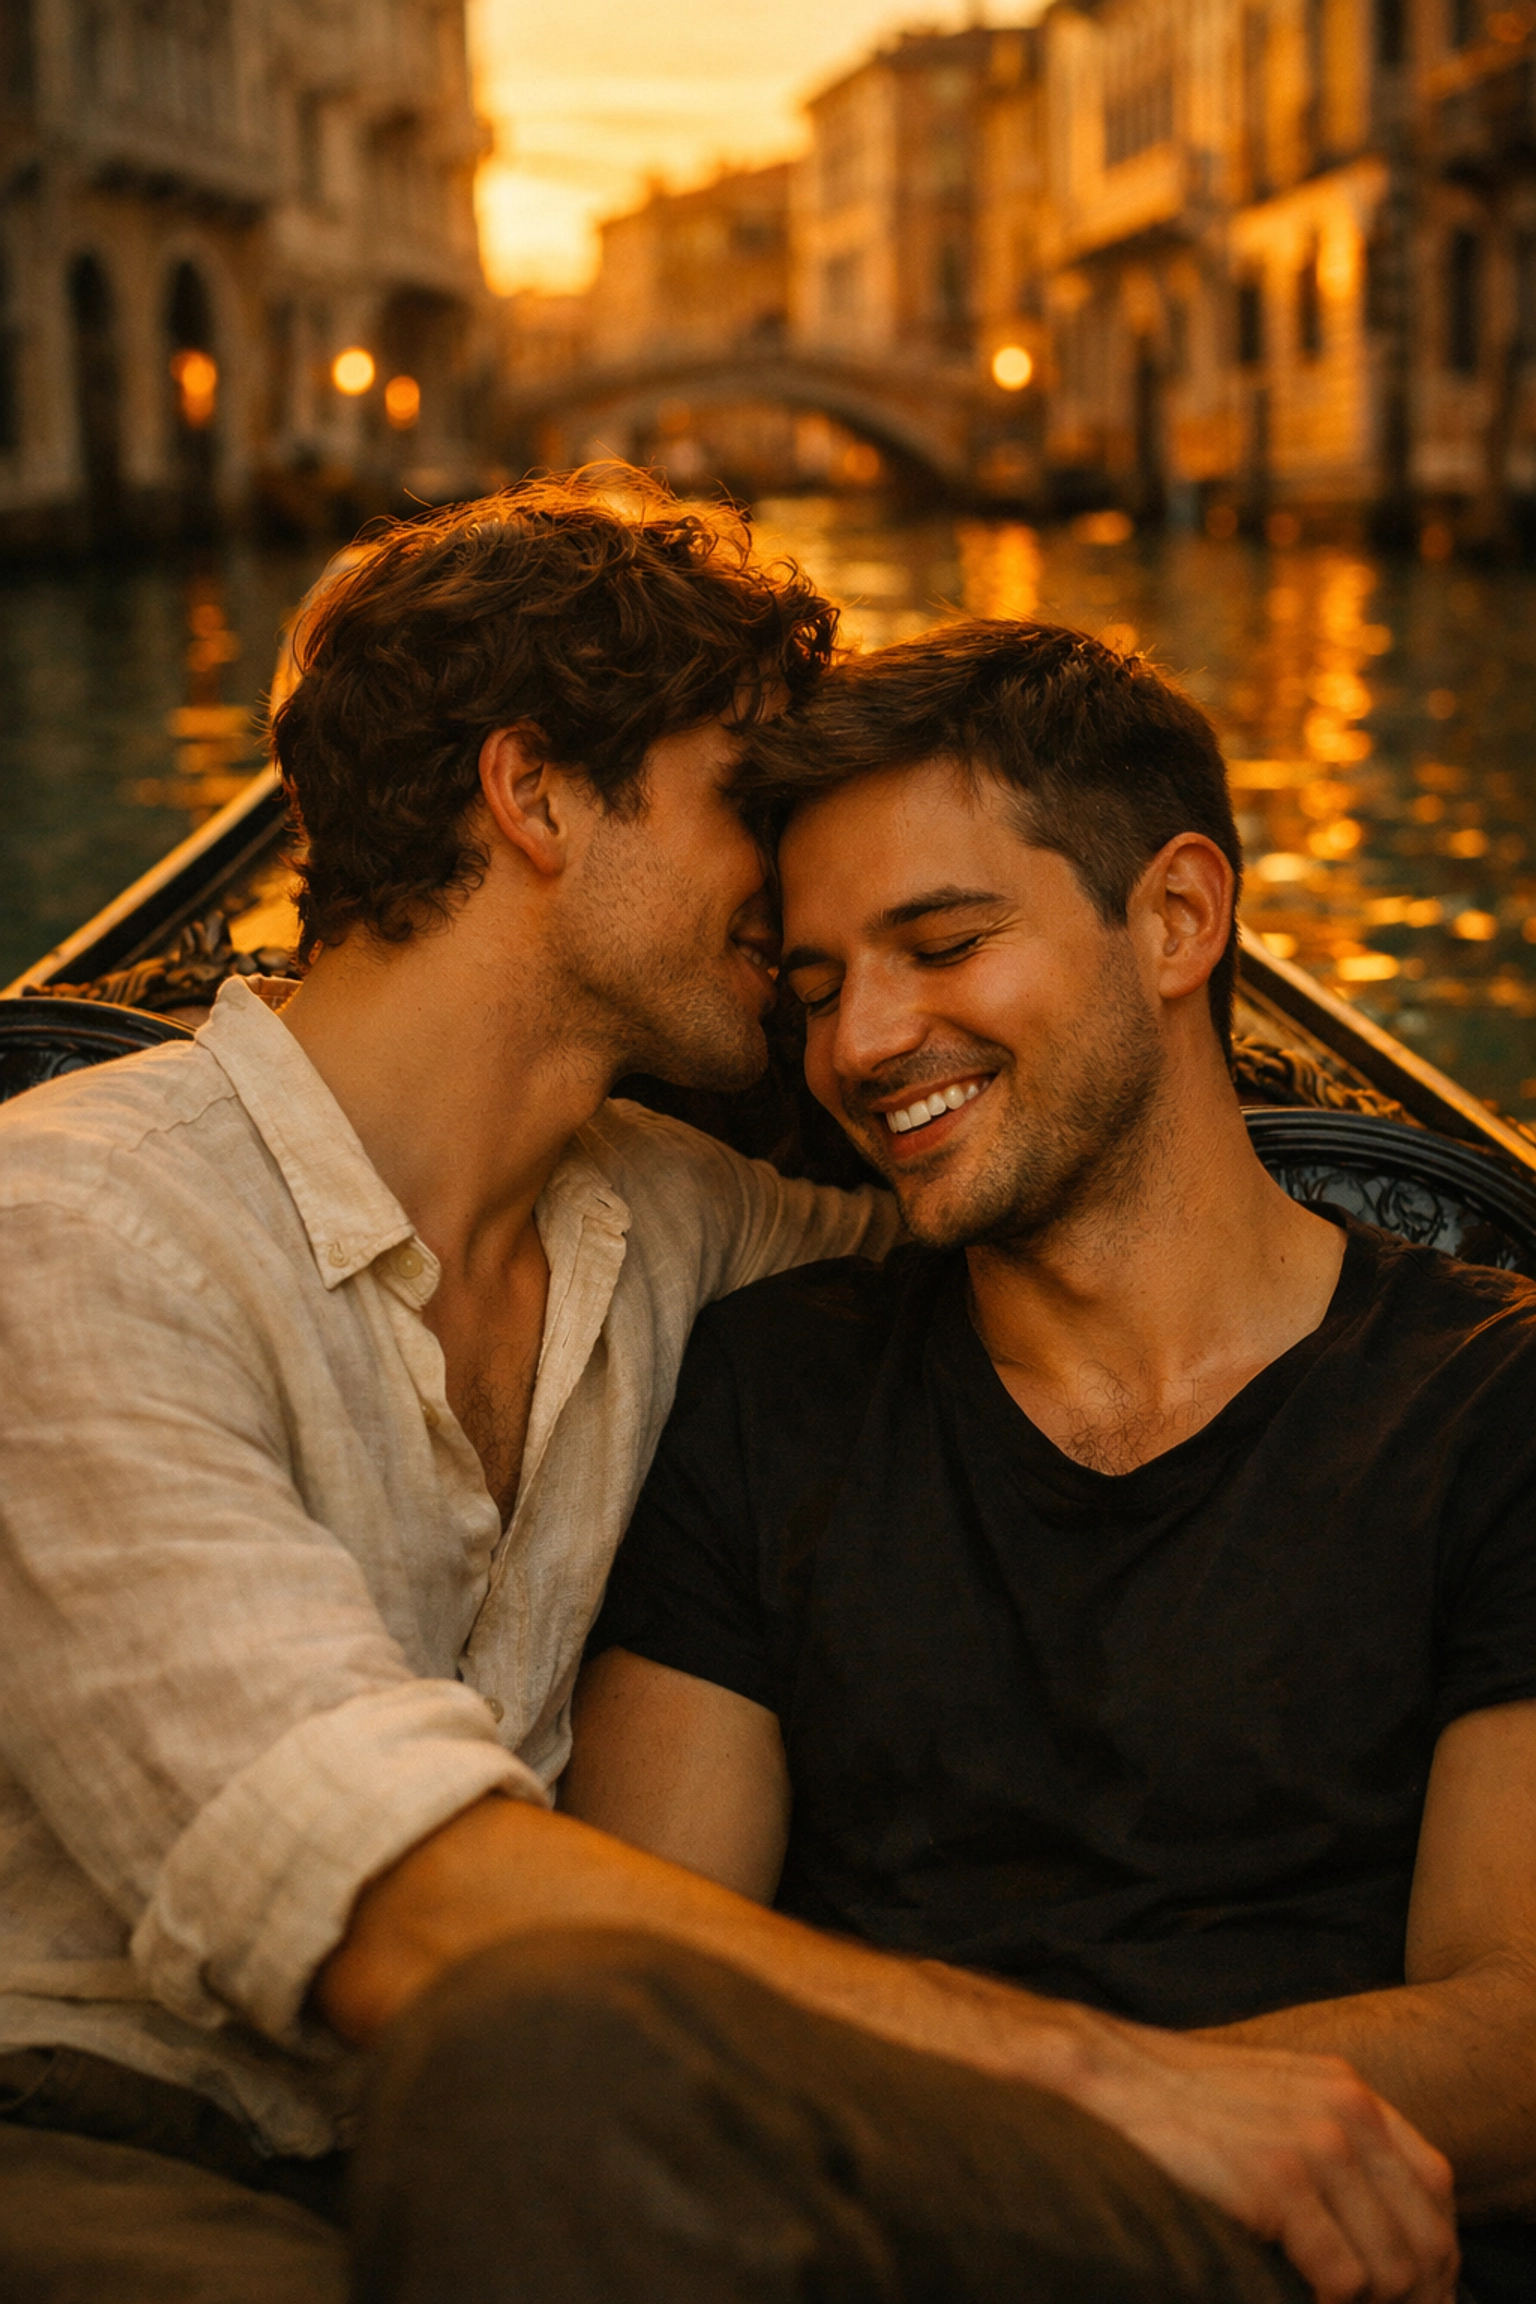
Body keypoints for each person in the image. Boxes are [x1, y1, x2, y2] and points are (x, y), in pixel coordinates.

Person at [0, 507, 1452, 2304]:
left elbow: (1044, 1192)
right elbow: (382, 1893)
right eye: (739, 799)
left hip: (543, 2159)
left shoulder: (672, 1218)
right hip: (108, 2140)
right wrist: (1110, 2079)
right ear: (535, 795)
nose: (792, 908)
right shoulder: (68, 1228)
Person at [564, 622, 1536, 2304]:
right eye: (813, 987)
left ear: (1176, 917)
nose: (863, 1044)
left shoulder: (1496, 1395)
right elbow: (647, 2000)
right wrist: (1101, 2105)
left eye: (942, 943)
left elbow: (1518, 2027)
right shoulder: (768, 1387)